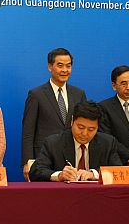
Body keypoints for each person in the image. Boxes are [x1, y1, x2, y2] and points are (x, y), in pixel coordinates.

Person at [22, 48, 86, 180]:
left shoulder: (79, 94)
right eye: (60, 65)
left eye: (68, 66)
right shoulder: (36, 94)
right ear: (50, 67)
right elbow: (28, 131)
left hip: (72, 157)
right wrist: (27, 162)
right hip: (44, 158)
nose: (65, 70)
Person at [29, 101, 122, 182]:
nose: (84, 133)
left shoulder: (108, 143)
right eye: (80, 127)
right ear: (72, 121)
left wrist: (94, 174)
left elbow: (119, 171)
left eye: (91, 129)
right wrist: (59, 175)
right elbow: (35, 171)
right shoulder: (54, 143)